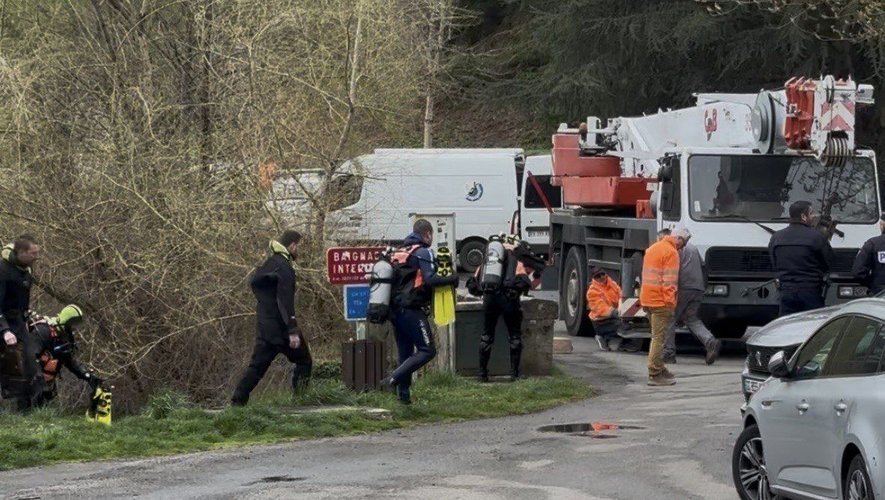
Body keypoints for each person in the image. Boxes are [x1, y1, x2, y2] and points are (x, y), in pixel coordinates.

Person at [380, 219, 458, 404]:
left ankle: (404, 399)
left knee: (406, 354)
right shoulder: (424, 252)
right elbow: (430, 279)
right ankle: (390, 380)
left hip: (394, 310)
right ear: (428, 234)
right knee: (427, 350)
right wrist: (451, 279)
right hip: (412, 309)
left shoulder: (400, 252)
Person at [231, 230, 312, 406]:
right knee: (304, 361)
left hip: (265, 327)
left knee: (257, 367)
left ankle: (237, 402)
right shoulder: (285, 267)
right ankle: (300, 402)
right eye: (299, 247)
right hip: (282, 328)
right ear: (292, 246)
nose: (300, 251)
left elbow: (261, 291)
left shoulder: (269, 264)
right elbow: (285, 300)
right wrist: (292, 330)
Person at [467, 236, 545, 382]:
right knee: (514, 337)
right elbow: (525, 282)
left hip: (490, 300)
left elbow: (474, 285)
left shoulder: (490, 258)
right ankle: (514, 374)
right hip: (509, 300)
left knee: (486, 336)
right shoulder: (516, 258)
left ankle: (482, 374)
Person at [662, 228, 721, 365]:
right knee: (691, 318)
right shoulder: (693, 249)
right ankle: (710, 341)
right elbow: (703, 267)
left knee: (669, 319)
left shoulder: (674, 249)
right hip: (697, 288)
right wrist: (703, 286)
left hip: (683, 287)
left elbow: (672, 269)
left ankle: (668, 353)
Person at [27, 304, 102, 405]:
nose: (73, 327)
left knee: (45, 411)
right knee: (27, 411)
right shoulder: (43, 330)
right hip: (30, 382)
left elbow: (70, 361)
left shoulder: (64, 337)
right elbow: (30, 357)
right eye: (72, 322)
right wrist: (40, 382)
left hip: (47, 382)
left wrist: (87, 375)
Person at [768, 201, 834, 315]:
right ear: (804, 216)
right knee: (812, 325)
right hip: (810, 291)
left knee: (787, 324)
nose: (814, 216)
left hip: (786, 291)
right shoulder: (816, 237)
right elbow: (829, 261)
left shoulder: (776, 237)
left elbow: (774, 262)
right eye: (812, 213)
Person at [0, 236, 41, 411]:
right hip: (5, 325)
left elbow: (21, 301)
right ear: (21, 252)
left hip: (19, 324)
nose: (36, 257)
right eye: (33, 253)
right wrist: (5, 330)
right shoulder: (2, 271)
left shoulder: (26, 270)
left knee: (29, 364)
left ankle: (26, 411)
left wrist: (27, 318)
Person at [640, 231, 682, 386]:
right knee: (658, 338)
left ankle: (660, 367)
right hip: (660, 302)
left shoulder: (653, 248)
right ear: (678, 240)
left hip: (647, 299)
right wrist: (670, 304)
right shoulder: (671, 253)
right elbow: (669, 282)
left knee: (655, 335)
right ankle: (655, 372)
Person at [586, 266, 621, 352]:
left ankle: (612, 340)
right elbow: (600, 309)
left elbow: (621, 297)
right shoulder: (592, 291)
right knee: (622, 327)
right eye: (598, 276)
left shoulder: (613, 285)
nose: (602, 277)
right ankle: (602, 337)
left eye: (603, 274)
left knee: (626, 325)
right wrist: (615, 312)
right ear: (594, 278)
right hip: (601, 322)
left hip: (613, 317)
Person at [852, 213, 885, 295]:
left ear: (882, 225)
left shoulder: (872, 244)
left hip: (880, 294)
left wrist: (872, 283)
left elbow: (858, 272)